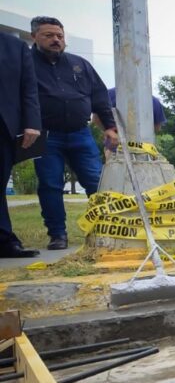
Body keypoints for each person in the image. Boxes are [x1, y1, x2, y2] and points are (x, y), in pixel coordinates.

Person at [29, 16, 119, 251]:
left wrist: (109, 126)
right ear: (34, 37)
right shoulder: (25, 64)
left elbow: (100, 96)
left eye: (59, 36)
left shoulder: (80, 64)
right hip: (45, 136)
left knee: (97, 181)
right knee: (50, 184)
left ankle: (107, 228)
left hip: (81, 133)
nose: (56, 40)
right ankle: (58, 234)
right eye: (49, 35)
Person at [0, 33, 42, 258]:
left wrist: (32, 123)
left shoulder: (15, 47)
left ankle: (3, 240)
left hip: (3, 124)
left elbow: (29, 88)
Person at [98, 88, 165, 158]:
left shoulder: (109, 94)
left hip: (115, 147)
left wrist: (110, 131)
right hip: (145, 150)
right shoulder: (154, 101)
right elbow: (157, 128)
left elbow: (96, 118)